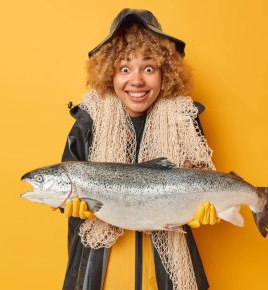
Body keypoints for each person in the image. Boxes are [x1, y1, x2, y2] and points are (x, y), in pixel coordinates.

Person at [60, 8, 218, 290]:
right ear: (108, 73)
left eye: (149, 67)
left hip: (164, 270)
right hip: (104, 268)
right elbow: (64, 179)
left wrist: (206, 205)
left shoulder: (183, 118)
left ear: (165, 73)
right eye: (124, 68)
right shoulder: (89, 120)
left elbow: (201, 175)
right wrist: (68, 206)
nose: (136, 80)